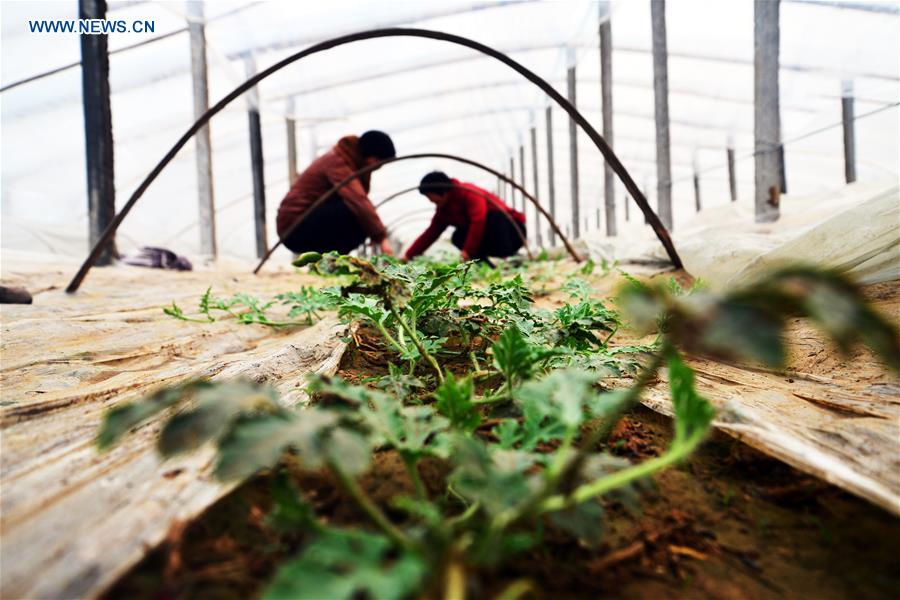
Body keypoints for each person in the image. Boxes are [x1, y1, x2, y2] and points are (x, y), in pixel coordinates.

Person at [276, 131, 395, 256]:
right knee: (355, 213)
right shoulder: (337, 161)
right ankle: (330, 261)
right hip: (293, 227)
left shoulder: (346, 159)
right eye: (379, 163)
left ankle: (331, 262)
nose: (378, 168)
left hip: (303, 223)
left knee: (361, 217)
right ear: (373, 158)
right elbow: (357, 200)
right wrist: (381, 237)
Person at [403, 171, 526, 262]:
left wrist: (467, 250)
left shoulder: (468, 192)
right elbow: (430, 234)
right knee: (458, 237)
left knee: (493, 218)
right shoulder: (443, 210)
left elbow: (478, 220)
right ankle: (486, 265)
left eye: (432, 197)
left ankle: (508, 259)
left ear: (443, 192)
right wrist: (408, 256)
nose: (431, 202)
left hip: (514, 232)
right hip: (492, 237)